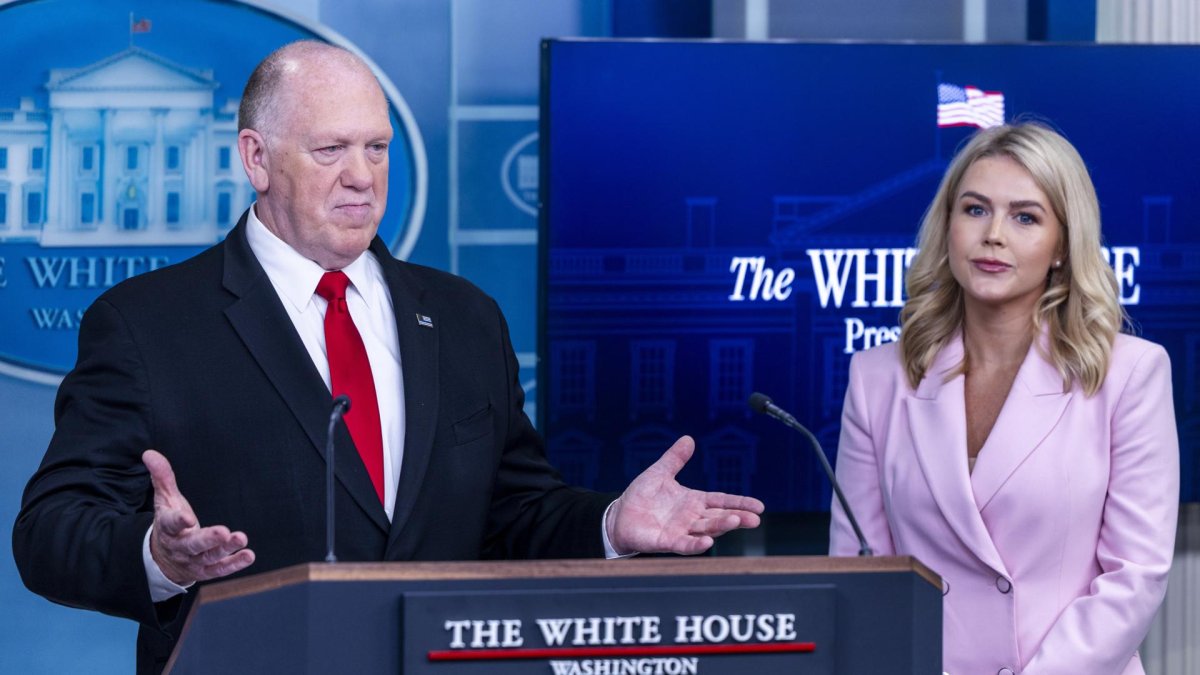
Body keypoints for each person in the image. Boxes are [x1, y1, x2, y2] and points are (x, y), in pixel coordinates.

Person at [12, 41, 764, 674]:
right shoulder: (148, 324)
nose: (362, 175)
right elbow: (50, 531)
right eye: (330, 150)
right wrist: (159, 557)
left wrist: (610, 523)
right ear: (256, 158)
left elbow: (514, 513)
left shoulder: (466, 317)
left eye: (376, 148)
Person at [828, 123, 1178, 675]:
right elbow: (860, 578)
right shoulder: (876, 379)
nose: (993, 235)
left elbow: (1134, 576)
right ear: (947, 225)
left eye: (1025, 217)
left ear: (1062, 245)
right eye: (975, 210)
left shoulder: (1130, 374)